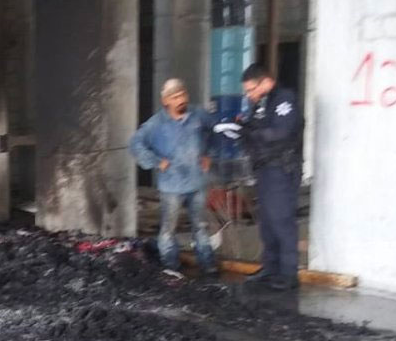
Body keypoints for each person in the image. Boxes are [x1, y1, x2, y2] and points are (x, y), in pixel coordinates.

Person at [128, 78, 217, 275]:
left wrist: (209, 154)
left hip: (197, 181)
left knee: (200, 226)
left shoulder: (198, 115)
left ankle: (208, 264)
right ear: (165, 101)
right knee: (169, 228)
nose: (181, 100)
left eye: (183, 95)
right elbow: (135, 143)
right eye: (175, 97)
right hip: (171, 186)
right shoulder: (156, 124)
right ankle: (170, 266)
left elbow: (214, 131)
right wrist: (155, 161)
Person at [236, 64, 304, 291]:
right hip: (264, 170)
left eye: (251, 89)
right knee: (266, 222)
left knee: (282, 221)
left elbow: (280, 132)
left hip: (282, 170)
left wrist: (253, 133)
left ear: (266, 82)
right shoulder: (260, 104)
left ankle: (288, 273)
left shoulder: (284, 99)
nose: (249, 95)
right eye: (246, 91)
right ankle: (270, 268)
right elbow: (257, 128)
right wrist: (242, 128)